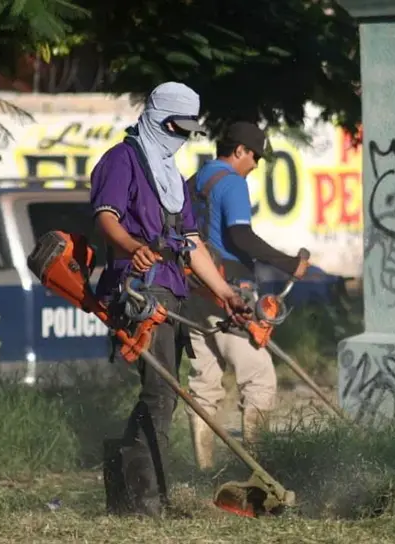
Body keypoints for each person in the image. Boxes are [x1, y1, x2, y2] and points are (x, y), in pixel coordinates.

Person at [89, 82, 250, 517]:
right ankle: (146, 503)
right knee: (160, 393)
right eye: (175, 126)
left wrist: (224, 292)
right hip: (139, 288)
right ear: (157, 117)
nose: (181, 136)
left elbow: (191, 242)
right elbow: (107, 216)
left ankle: (130, 495)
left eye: (188, 129)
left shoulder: (173, 177)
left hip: (173, 287)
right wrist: (129, 246)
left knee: (163, 395)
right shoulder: (122, 160)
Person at [183, 121, 309, 471]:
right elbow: (240, 236)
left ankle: (204, 469)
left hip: (193, 289)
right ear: (238, 151)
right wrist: (288, 263)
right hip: (229, 296)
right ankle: (258, 469)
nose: (255, 165)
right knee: (259, 378)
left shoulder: (194, 182)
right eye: (254, 157)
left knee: (205, 383)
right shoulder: (232, 183)